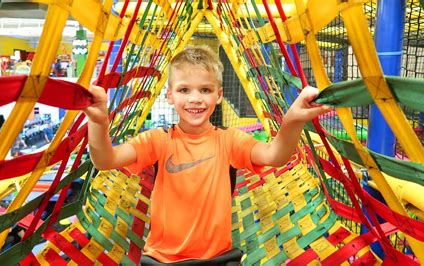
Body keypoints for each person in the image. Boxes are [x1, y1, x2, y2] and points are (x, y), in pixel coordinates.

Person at [84, 46, 332, 264]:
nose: (195, 99)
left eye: (205, 89)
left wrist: (292, 120)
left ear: (218, 95)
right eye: (184, 90)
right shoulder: (158, 140)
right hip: (163, 259)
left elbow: (274, 155)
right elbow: (106, 160)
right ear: (169, 96)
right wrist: (98, 122)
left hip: (217, 259)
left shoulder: (228, 140)